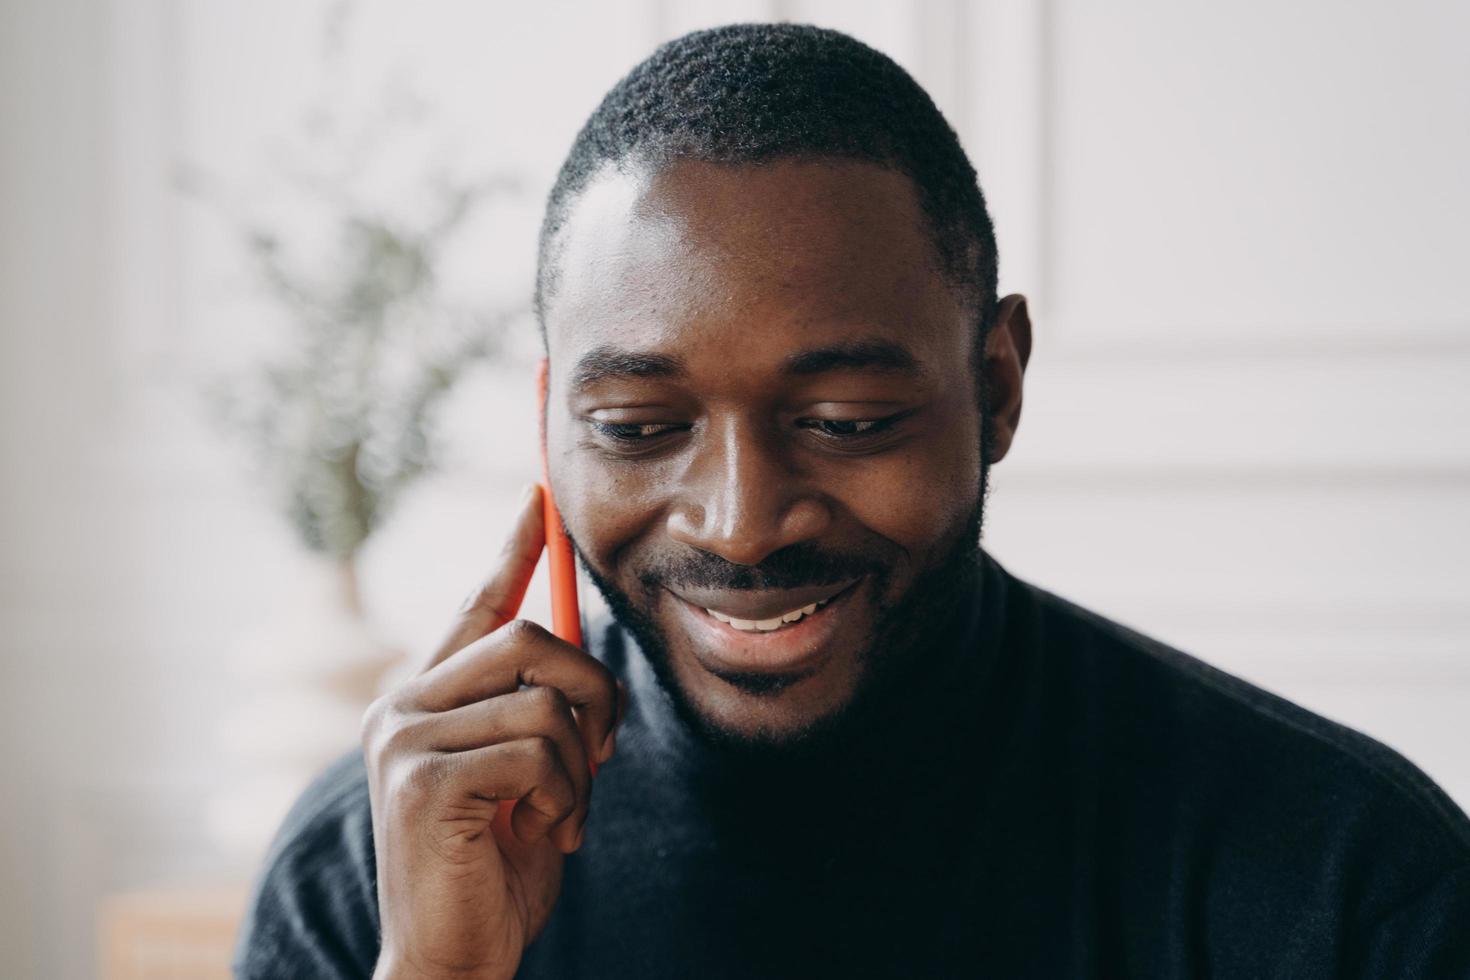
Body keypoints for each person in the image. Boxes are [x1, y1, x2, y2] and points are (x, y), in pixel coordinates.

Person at [233, 23, 1470, 980]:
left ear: (997, 383)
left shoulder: (1343, 878)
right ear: (552, 420)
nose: (739, 518)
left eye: (846, 423)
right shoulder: (370, 878)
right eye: (640, 429)